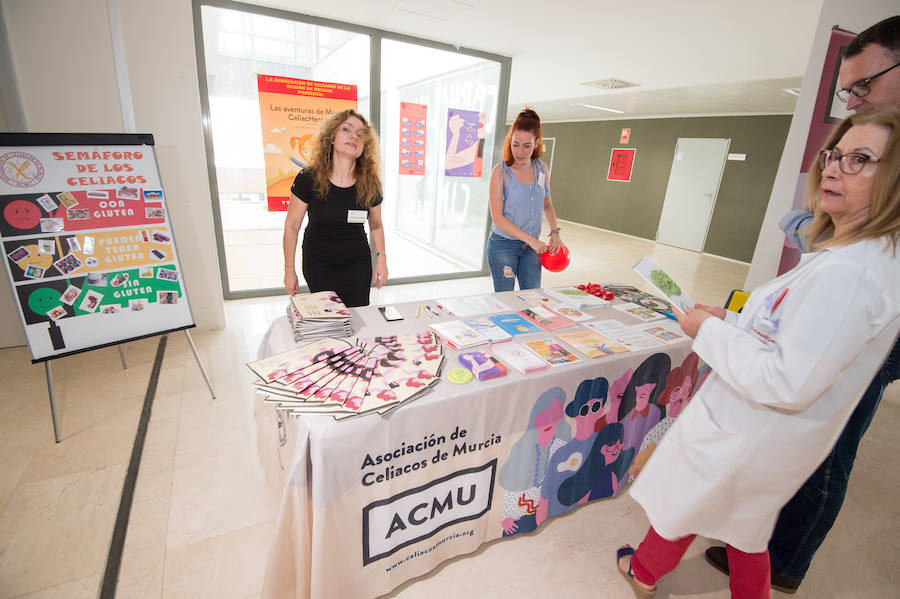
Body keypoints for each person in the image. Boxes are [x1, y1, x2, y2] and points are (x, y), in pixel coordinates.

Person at [615, 108, 900, 599]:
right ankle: (653, 571)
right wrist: (732, 321)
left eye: (860, 159)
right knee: (745, 525)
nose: (833, 168)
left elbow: (785, 379)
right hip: (771, 439)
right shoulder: (862, 258)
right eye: (834, 155)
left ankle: (642, 572)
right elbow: (796, 335)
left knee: (694, 501)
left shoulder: (849, 274)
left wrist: (707, 331)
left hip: (755, 429)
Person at [707, 17, 900, 593]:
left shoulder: (860, 269)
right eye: (835, 159)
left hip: (868, 330)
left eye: (864, 86)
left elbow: (791, 383)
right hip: (835, 309)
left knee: (826, 438)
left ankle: (785, 561)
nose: (854, 101)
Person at [283, 109, 387, 307]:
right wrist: (289, 269)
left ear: (365, 145)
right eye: (346, 129)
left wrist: (381, 258)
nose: (353, 136)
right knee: (327, 317)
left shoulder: (370, 182)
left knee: (357, 315)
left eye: (360, 134)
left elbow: (376, 225)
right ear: (331, 137)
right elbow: (292, 226)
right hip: (318, 262)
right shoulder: (308, 178)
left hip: (357, 263)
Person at [486, 108, 563, 291]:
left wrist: (554, 232)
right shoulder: (500, 172)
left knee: (532, 299)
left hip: (531, 249)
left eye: (526, 146)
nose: (519, 152)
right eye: (515, 144)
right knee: (507, 303)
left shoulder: (542, 169)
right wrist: (531, 241)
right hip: (503, 246)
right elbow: (498, 218)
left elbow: (546, 204)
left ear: (536, 143)